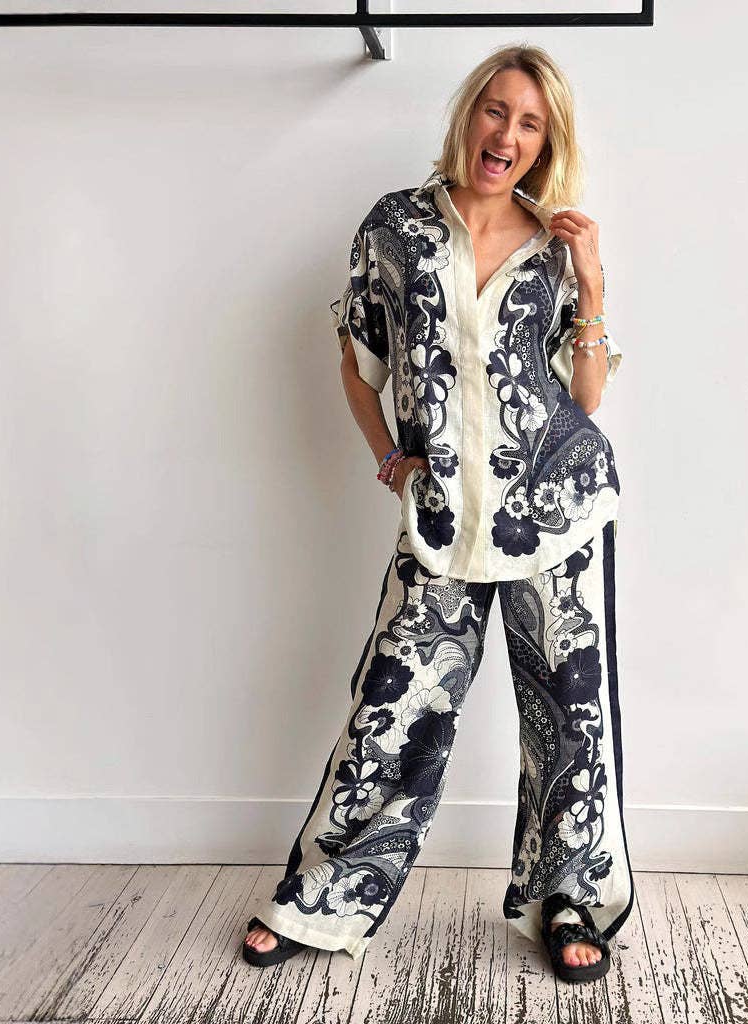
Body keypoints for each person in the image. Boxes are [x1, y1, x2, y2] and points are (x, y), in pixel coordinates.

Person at [241, 42, 634, 985]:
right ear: (469, 114)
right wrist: (389, 456)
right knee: (394, 708)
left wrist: (592, 281)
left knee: (569, 721)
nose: (507, 134)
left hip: (558, 515)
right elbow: (358, 360)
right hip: (440, 521)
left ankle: (568, 900)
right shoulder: (396, 229)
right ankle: (324, 897)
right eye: (497, 110)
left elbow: (584, 397)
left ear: (546, 143)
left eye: (530, 123)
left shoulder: (553, 246)